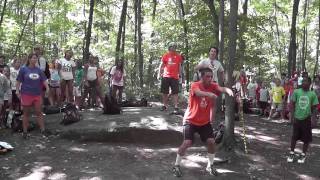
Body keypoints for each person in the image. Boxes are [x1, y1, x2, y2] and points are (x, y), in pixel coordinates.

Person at [172, 68, 233, 177]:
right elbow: (198, 93)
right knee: (187, 143)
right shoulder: (195, 85)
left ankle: (210, 165)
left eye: (211, 76)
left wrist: (228, 90)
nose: (210, 78)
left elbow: (220, 88)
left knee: (211, 142)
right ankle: (176, 165)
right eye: (207, 76)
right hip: (190, 120)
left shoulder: (213, 85)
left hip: (204, 122)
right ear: (202, 77)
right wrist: (210, 95)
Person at [16, 53, 50, 139]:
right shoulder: (23, 69)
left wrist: (47, 88)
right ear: (29, 59)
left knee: (39, 112)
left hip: (37, 95)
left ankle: (43, 130)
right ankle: (25, 132)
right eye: (33, 58)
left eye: (36, 58)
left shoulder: (39, 70)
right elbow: (18, 81)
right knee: (26, 113)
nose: (35, 60)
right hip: (26, 94)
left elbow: (44, 80)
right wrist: (17, 91)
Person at [287, 77, 318, 163]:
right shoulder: (297, 92)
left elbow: (315, 106)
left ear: (309, 83)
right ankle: (291, 153)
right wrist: (292, 116)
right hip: (297, 118)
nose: (304, 83)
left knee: (306, 138)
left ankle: (303, 155)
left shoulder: (312, 94)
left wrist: (312, 117)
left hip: (306, 119)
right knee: (294, 137)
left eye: (306, 81)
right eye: (303, 81)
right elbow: (292, 104)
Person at [158, 42, 183, 113]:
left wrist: (180, 75)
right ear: (169, 47)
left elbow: (180, 66)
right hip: (166, 76)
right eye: (172, 46)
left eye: (175, 46)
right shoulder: (166, 55)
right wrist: (159, 74)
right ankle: (164, 105)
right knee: (164, 92)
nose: (174, 48)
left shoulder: (178, 56)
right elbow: (161, 65)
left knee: (175, 92)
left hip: (175, 76)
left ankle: (176, 107)